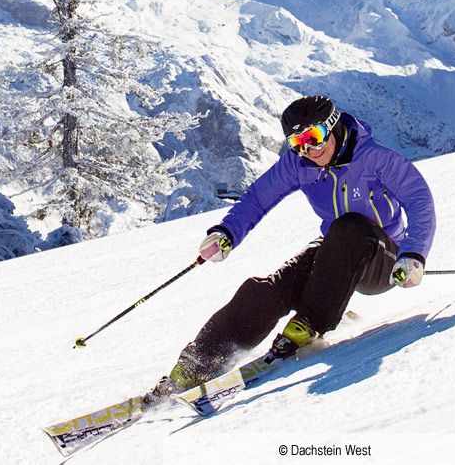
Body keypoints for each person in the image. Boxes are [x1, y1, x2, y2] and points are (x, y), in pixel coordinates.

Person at [147, 95, 436, 399]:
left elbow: (419, 200)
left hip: (385, 260)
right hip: (336, 253)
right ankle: (198, 363)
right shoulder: (299, 164)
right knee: (269, 289)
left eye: (314, 137)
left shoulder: (375, 159)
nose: (309, 150)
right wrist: (226, 232)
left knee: (351, 226)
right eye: (299, 143)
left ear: (332, 126)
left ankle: (310, 322)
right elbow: (258, 198)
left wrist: (413, 255)